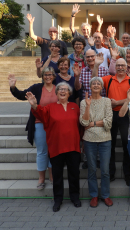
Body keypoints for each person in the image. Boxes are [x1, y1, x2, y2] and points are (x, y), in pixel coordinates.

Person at [26, 82, 82, 212]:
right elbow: (39, 113)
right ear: (56, 93)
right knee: (57, 176)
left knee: (74, 174)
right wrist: (34, 105)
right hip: (56, 147)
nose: (63, 91)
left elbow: (80, 125)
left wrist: (82, 142)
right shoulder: (50, 107)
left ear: (69, 93)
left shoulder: (75, 107)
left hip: (73, 146)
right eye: (60, 90)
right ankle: (58, 199)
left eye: (65, 90)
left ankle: (75, 197)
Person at [8, 68, 55, 191]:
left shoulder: (59, 88)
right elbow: (22, 95)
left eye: (50, 74)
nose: (48, 77)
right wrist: (13, 87)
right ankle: (41, 178)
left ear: (54, 76)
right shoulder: (36, 88)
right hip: (39, 123)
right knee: (42, 151)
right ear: (42, 76)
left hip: (55, 124)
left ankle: (52, 176)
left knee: (53, 151)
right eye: (45, 75)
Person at [93, 55, 130, 185]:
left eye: (123, 65)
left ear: (126, 67)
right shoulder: (109, 79)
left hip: (126, 115)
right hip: (110, 115)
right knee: (109, 145)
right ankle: (110, 173)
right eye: (118, 65)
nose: (121, 67)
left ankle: (127, 174)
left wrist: (117, 102)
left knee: (126, 145)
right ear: (115, 67)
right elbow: (94, 81)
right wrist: (96, 65)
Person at [79, 77, 113, 208]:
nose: (96, 85)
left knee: (105, 170)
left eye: (99, 83)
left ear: (102, 87)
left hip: (105, 139)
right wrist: (88, 106)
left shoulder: (107, 101)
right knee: (92, 169)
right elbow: (84, 123)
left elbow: (108, 123)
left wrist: (93, 123)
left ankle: (105, 195)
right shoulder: (84, 102)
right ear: (90, 86)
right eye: (93, 83)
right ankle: (94, 195)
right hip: (89, 140)